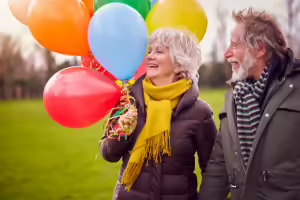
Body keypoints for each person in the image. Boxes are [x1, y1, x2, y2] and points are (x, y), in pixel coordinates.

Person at [100, 28, 218, 200]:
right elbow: (108, 155)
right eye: (149, 51)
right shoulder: (127, 102)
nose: (149, 56)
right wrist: (122, 131)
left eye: (159, 51)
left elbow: (214, 170)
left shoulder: (200, 113)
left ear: (180, 63)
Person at [199, 8, 300, 200]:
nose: (227, 53)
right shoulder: (234, 100)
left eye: (234, 45)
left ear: (260, 49)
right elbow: (218, 169)